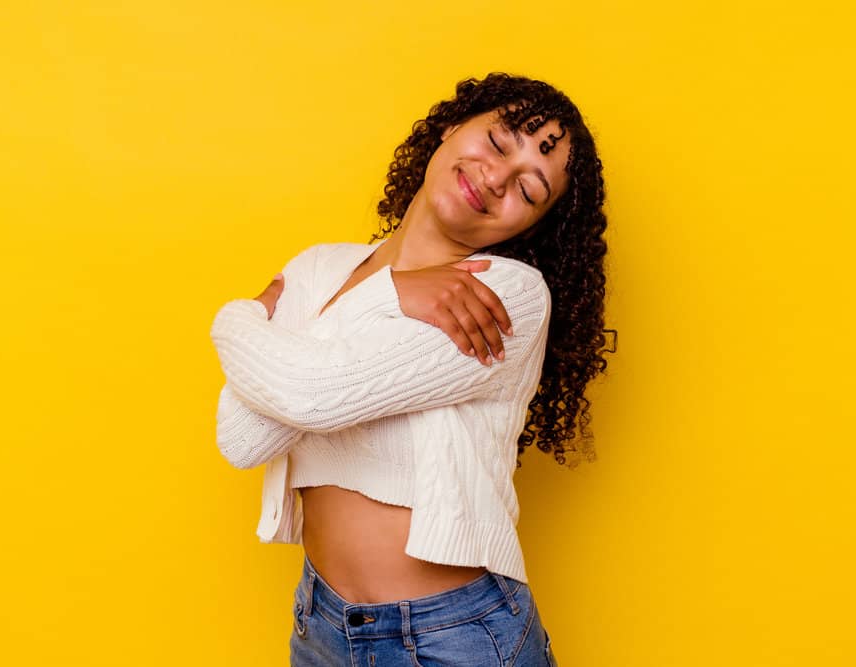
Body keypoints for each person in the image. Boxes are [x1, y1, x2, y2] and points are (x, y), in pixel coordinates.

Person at [210, 72, 612, 666]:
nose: (496, 178)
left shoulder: (503, 297)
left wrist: (236, 323)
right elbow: (242, 439)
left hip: (457, 639)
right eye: (498, 144)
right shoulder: (322, 266)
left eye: (529, 191)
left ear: (531, 226)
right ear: (452, 127)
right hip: (320, 626)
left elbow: (309, 396)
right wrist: (391, 289)